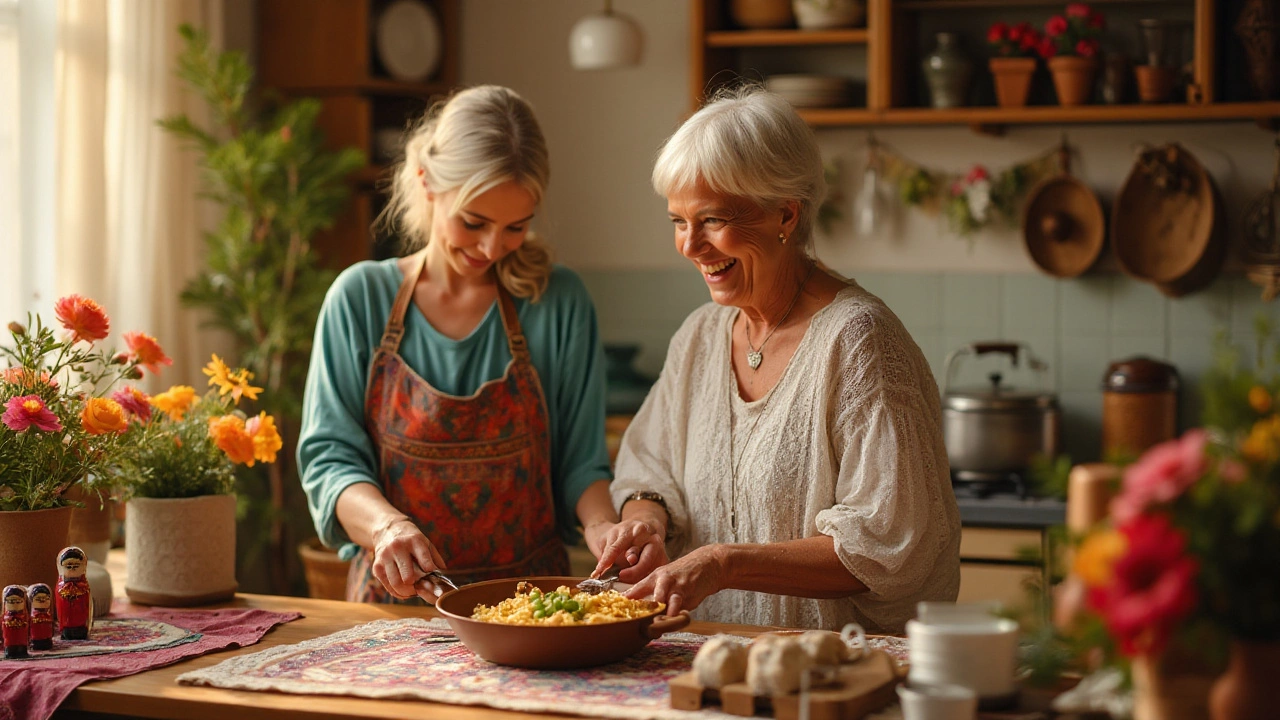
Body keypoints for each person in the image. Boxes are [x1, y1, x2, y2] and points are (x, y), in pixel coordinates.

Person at [593, 86, 960, 634]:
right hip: (709, 666)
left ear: (785, 214)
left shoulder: (860, 343)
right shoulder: (700, 337)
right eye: (677, 221)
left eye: (713, 219)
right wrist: (645, 520)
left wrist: (723, 563)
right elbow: (650, 466)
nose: (690, 246)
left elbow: (888, 546)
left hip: (832, 681)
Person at [299, 85, 618, 604]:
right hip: (395, 611)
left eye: (517, 226)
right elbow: (329, 460)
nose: (493, 247)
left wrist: (603, 526)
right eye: (474, 222)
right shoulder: (359, 299)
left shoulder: (559, 302)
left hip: (533, 606)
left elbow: (582, 463)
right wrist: (385, 528)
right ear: (426, 183)